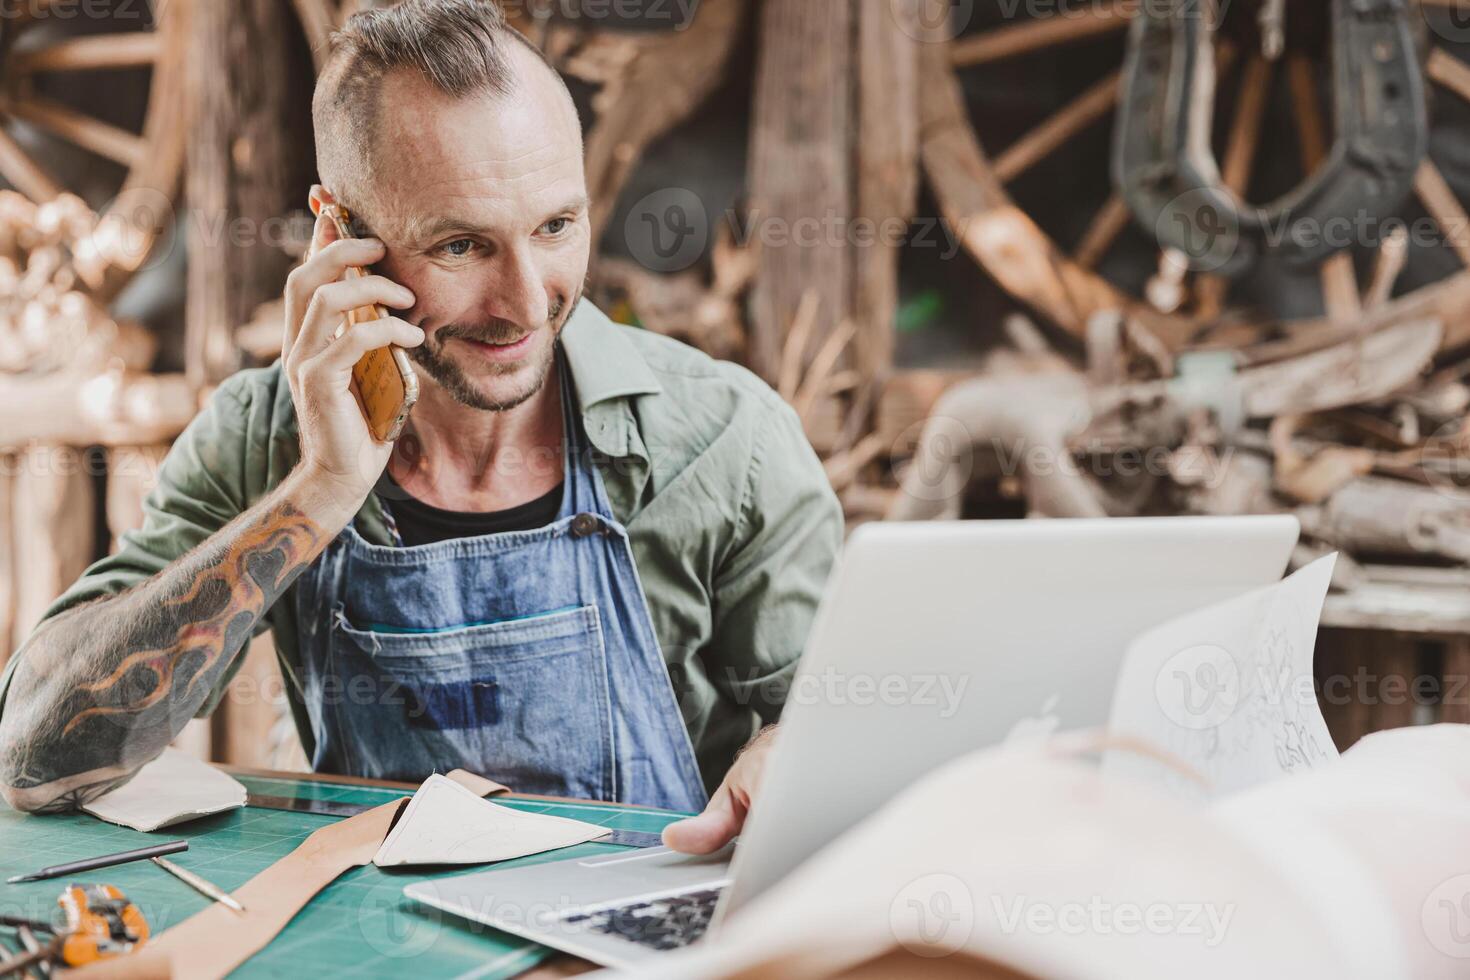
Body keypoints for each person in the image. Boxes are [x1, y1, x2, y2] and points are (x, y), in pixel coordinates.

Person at [0, 0, 841, 855]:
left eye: (555, 226)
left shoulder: (727, 442)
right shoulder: (261, 437)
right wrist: (318, 491)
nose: (524, 304)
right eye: (461, 246)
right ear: (340, 234)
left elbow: (840, 725)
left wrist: (792, 755)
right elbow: (36, 760)